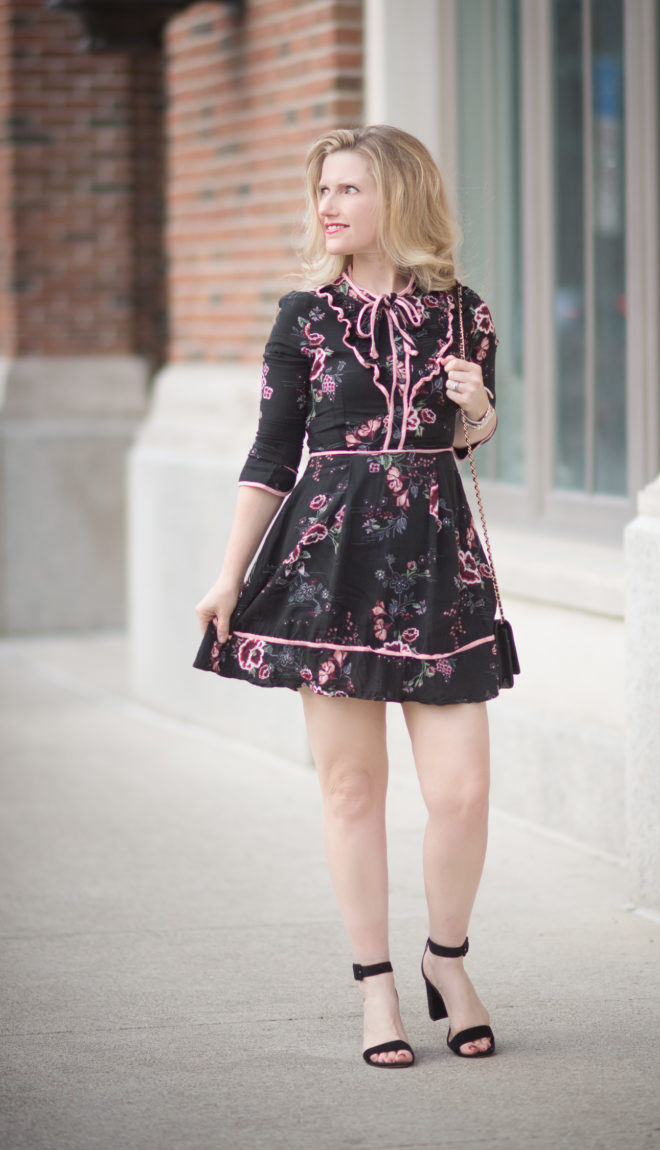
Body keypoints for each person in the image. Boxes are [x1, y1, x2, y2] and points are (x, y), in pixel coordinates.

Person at [194, 125, 501, 1068]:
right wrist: (229, 573)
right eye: (323, 189)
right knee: (352, 787)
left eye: (348, 189)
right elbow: (271, 455)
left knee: (462, 792)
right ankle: (377, 989)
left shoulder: (465, 314)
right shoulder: (305, 316)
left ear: (398, 197)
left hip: (437, 566)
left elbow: (471, 438)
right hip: (329, 568)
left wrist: (478, 407)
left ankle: (447, 959)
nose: (327, 206)